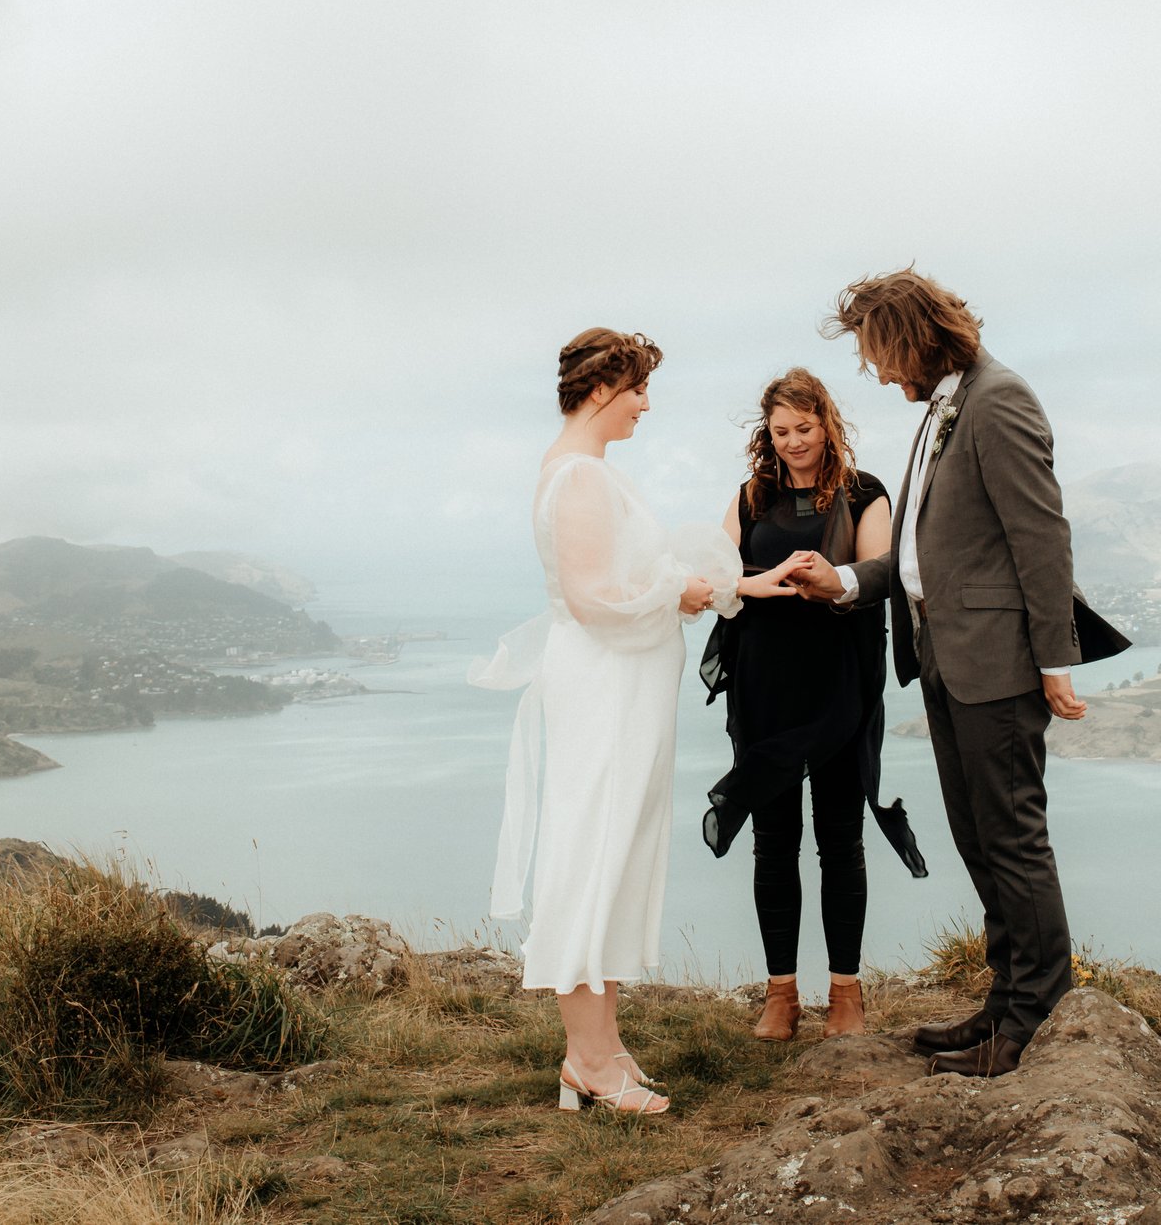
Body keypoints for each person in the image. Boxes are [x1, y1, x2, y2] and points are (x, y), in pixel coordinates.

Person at [787, 271, 1128, 1079]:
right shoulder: (946, 405)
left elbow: (1040, 539)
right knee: (979, 838)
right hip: (943, 657)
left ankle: (1035, 1022)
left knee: (1013, 838)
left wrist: (1054, 661)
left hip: (998, 662)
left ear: (911, 339)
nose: (875, 373)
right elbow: (923, 555)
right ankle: (1008, 999)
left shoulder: (999, 399)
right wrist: (841, 581)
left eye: (877, 354)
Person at [472, 327, 742, 1114]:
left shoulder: (579, 471)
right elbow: (593, 599)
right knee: (592, 849)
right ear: (600, 390)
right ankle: (590, 1058)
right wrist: (679, 592)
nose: (646, 405)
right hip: (604, 688)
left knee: (616, 847)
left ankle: (597, 1048)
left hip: (618, 685)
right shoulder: (582, 479)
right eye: (637, 390)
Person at [698, 369, 927, 1043]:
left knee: (840, 840)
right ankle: (780, 994)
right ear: (765, 435)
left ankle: (847, 994)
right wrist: (764, 581)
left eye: (804, 427)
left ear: (826, 422)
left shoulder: (865, 493)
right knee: (773, 843)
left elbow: (879, 575)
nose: (793, 442)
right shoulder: (749, 498)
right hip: (765, 684)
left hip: (839, 687)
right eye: (780, 431)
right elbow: (720, 581)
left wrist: (827, 583)